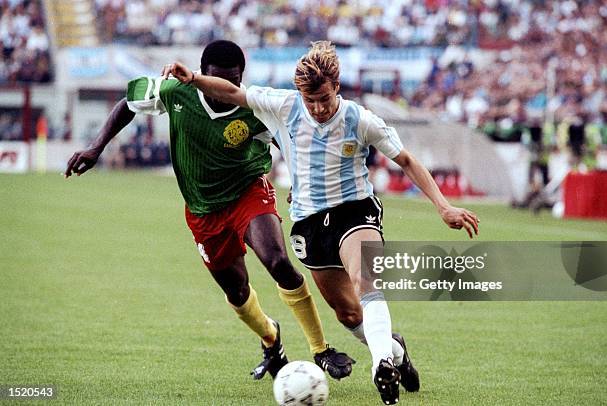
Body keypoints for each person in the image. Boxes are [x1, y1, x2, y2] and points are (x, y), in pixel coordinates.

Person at [163, 40, 480, 405]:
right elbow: (234, 92)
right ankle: (394, 349)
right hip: (311, 224)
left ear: (337, 88)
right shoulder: (283, 106)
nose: (318, 108)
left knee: (366, 278)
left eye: (325, 99)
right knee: (347, 313)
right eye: (310, 100)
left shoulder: (359, 119)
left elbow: (406, 160)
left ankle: (382, 367)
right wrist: (195, 79)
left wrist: (443, 207)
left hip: (354, 210)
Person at [64, 40, 355, 382]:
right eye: (218, 80)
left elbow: (290, 141)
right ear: (203, 74)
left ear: (241, 77)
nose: (224, 92)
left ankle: (321, 350)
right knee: (237, 290)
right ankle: (271, 338)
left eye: (232, 83)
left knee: (278, 262)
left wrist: (299, 184)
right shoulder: (175, 91)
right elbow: (128, 103)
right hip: (202, 210)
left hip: (248, 191)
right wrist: (96, 148)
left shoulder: (255, 105)